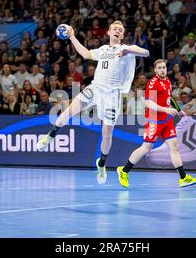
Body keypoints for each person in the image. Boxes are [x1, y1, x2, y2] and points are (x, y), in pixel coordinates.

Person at [36, 21, 149, 184]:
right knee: (68, 112)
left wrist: (129, 49)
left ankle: (101, 163)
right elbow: (86, 54)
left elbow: (145, 52)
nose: (117, 31)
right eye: (115, 29)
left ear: (122, 35)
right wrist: (73, 37)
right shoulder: (103, 50)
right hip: (95, 88)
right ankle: (50, 135)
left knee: (107, 134)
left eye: (121, 30)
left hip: (112, 95)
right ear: (109, 32)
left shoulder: (127, 50)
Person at [116, 59, 196, 188]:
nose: (163, 70)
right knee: (146, 148)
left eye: (164, 67)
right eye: (160, 68)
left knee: (174, 146)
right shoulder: (152, 83)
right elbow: (148, 103)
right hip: (154, 120)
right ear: (155, 70)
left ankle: (183, 178)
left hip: (167, 120)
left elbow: (169, 97)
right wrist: (166, 109)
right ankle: (124, 170)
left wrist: (178, 110)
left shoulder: (167, 81)